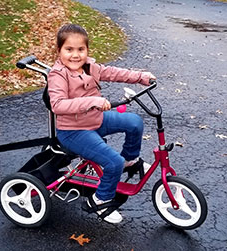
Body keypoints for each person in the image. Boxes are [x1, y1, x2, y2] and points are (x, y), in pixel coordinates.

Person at [48, 24, 156, 224]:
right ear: (59, 51)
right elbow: (58, 105)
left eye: (81, 49)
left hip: (95, 120)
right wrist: (94, 101)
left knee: (134, 122)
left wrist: (141, 77)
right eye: (69, 49)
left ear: (87, 50)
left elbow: (114, 73)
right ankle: (99, 200)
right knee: (112, 161)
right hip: (73, 131)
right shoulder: (57, 75)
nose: (75, 55)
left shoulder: (90, 67)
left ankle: (130, 161)